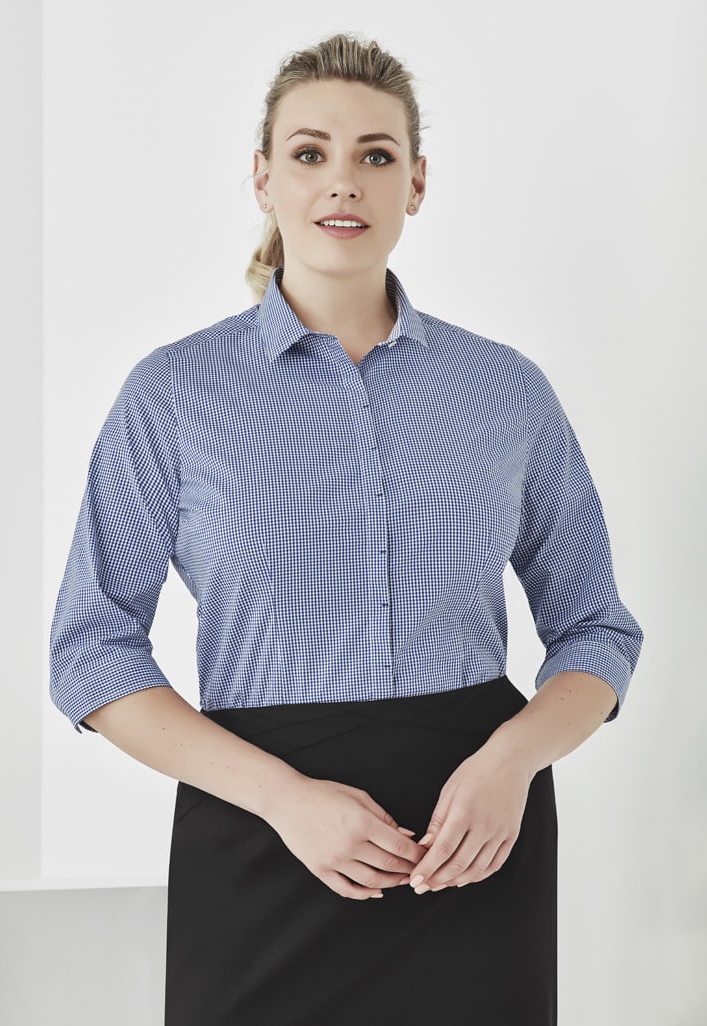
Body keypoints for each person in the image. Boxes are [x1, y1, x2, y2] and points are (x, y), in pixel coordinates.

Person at [50, 33, 643, 1026]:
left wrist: (511, 762)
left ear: (416, 183)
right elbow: (90, 650)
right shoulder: (173, 394)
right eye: (308, 152)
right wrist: (283, 797)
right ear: (263, 178)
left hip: (471, 843)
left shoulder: (504, 390)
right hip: (258, 836)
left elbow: (596, 631)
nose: (343, 181)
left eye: (375, 154)